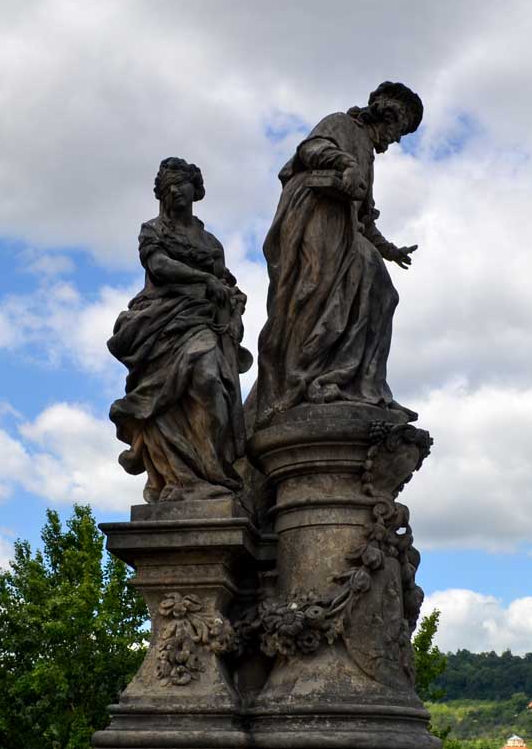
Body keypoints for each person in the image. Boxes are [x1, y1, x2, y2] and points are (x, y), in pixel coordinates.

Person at [250, 81, 423, 426]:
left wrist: (390, 250)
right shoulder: (341, 124)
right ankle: (306, 379)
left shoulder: (368, 157)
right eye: (398, 129)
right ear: (386, 115)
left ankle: (358, 383)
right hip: (319, 217)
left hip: (348, 227)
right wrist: (345, 163)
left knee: (383, 295)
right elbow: (310, 149)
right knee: (314, 293)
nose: (396, 140)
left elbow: (364, 219)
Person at [108, 157, 251, 502]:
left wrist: (232, 296)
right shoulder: (152, 230)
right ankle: (183, 477)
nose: (175, 192)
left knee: (211, 385)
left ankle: (209, 471)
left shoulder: (210, 242)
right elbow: (158, 265)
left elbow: (224, 281)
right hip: (160, 323)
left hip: (203, 320)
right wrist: (203, 278)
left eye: (181, 185)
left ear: (195, 190)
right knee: (184, 391)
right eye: (168, 187)